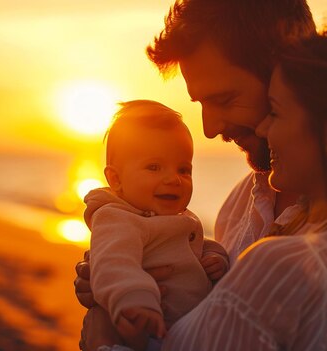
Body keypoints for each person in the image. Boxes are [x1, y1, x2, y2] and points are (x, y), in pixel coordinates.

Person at [76, 0, 327, 347]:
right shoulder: (239, 205)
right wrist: (125, 281)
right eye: (199, 103)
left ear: (287, 68)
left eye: (224, 99)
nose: (209, 129)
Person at [84, 100, 229, 350]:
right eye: (154, 167)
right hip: (148, 330)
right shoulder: (117, 219)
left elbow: (189, 245)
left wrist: (215, 254)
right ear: (116, 179)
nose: (174, 179)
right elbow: (114, 262)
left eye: (184, 169)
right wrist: (136, 301)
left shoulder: (175, 220)